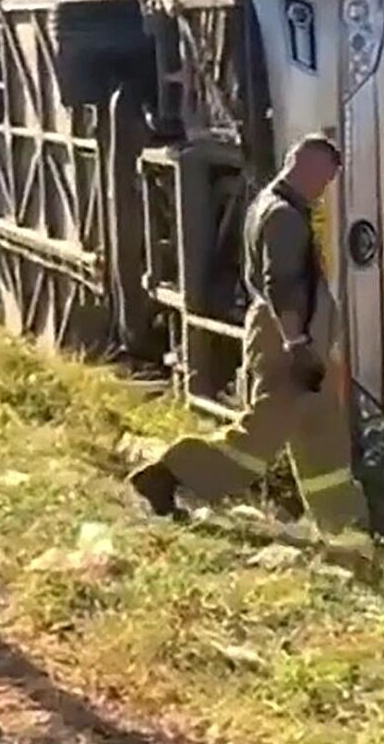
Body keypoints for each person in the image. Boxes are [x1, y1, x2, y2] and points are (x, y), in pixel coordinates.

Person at [127, 134, 368, 536]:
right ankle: (170, 473)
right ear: (306, 166)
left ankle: (344, 526)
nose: (325, 188)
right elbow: (282, 285)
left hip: (298, 340)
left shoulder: (272, 206)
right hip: (288, 342)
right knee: (260, 436)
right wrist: (298, 344)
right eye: (324, 177)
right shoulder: (284, 216)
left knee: (321, 432)